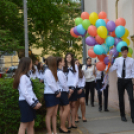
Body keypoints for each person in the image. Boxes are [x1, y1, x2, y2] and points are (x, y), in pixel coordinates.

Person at [13, 57, 42, 134]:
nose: (32, 65)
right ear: (27, 64)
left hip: (28, 102)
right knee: (24, 125)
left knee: (31, 124)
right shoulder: (23, 77)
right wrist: (33, 104)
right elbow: (25, 93)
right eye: (31, 63)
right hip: (25, 102)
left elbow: (30, 91)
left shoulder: (25, 76)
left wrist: (36, 101)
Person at [109, 46, 134, 123]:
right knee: (121, 98)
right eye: (123, 52)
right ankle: (122, 115)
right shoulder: (117, 60)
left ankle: (133, 116)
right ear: (121, 52)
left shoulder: (132, 60)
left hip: (128, 81)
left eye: (126, 52)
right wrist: (110, 62)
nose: (124, 53)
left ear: (127, 52)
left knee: (131, 98)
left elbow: (133, 71)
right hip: (120, 81)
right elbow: (112, 69)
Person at [44, 56, 61, 134]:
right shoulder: (47, 71)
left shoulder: (53, 71)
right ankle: (49, 132)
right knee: (49, 114)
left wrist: (58, 91)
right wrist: (57, 92)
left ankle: (55, 131)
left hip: (55, 94)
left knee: (54, 114)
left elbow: (56, 83)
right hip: (50, 94)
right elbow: (50, 83)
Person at [63, 53, 79, 129]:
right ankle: (69, 122)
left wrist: (73, 88)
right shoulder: (63, 67)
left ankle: (73, 122)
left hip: (73, 88)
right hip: (66, 88)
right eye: (67, 57)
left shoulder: (75, 66)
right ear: (65, 58)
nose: (69, 58)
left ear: (72, 58)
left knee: (73, 105)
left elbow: (77, 77)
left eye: (70, 57)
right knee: (67, 106)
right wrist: (67, 88)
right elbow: (62, 79)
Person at [57, 57, 70, 133]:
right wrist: (68, 91)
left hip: (60, 91)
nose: (64, 62)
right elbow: (63, 84)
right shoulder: (60, 72)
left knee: (62, 109)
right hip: (63, 92)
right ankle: (62, 126)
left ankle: (62, 126)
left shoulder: (59, 71)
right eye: (62, 61)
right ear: (59, 63)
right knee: (67, 109)